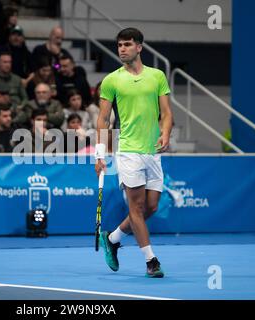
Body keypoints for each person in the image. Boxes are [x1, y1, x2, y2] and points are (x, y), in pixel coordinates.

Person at [94, 28, 173, 278]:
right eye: (119, 45)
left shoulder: (157, 76)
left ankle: (113, 238)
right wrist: (99, 154)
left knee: (151, 207)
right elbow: (103, 119)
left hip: (152, 152)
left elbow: (167, 113)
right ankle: (151, 261)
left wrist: (166, 133)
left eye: (127, 44)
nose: (122, 49)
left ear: (139, 47)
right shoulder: (112, 80)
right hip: (128, 151)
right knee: (136, 208)